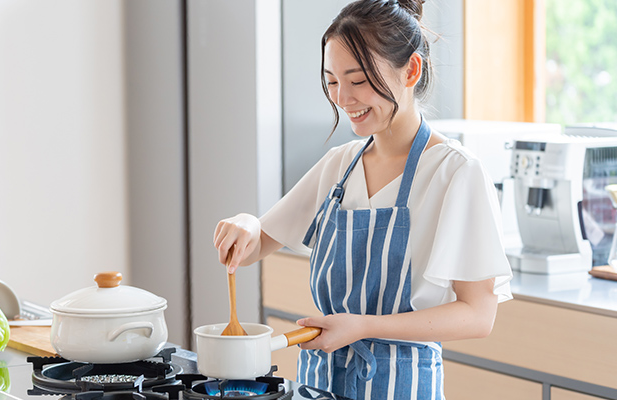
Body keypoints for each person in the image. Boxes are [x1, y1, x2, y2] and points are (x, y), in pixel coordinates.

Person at [212, 0, 513, 398]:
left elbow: (478, 316)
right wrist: (247, 223)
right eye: (332, 81)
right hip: (321, 384)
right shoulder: (340, 166)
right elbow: (256, 244)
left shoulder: (455, 172)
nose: (342, 98)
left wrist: (365, 326)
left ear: (411, 70)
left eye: (357, 80)